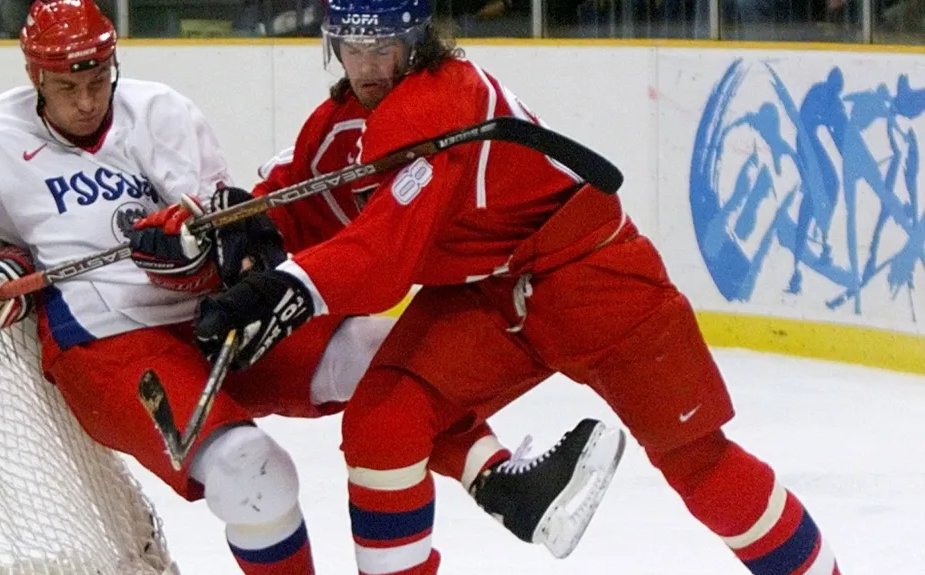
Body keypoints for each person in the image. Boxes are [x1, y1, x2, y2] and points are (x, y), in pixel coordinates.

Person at [0, 1, 623, 573]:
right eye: (68, 87)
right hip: (112, 346)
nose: (88, 100)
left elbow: (231, 242)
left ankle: (503, 481)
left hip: (208, 320)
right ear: (35, 77)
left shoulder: (163, 114)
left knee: (377, 348)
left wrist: (197, 249)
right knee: (252, 473)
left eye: (97, 79)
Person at [189, 0, 846, 574]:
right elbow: (297, 199)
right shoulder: (343, 124)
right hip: (487, 298)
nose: (368, 68)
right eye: (353, 48)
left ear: (416, 42)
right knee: (383, 421)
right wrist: (222, 228)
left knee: (698, 464)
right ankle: (497, 482)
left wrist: (288, 286)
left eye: (383, 47)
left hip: (594, 278)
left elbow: (382, 259)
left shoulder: (442, 101)